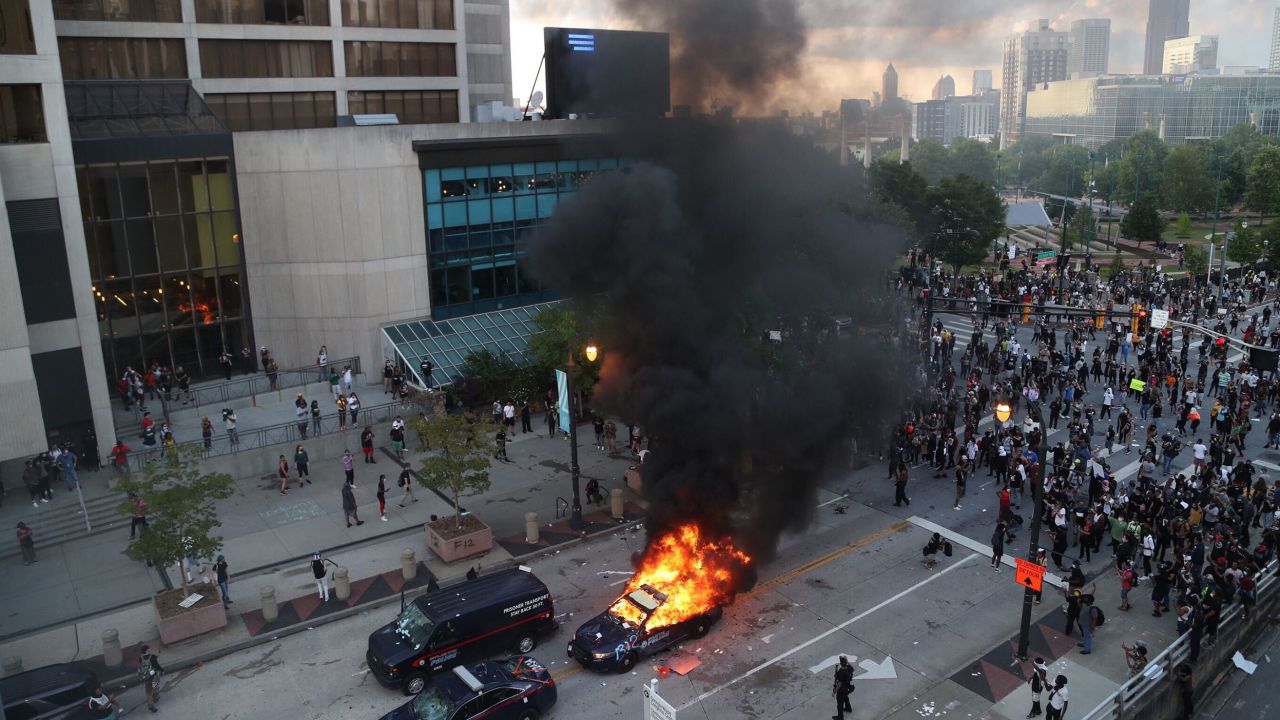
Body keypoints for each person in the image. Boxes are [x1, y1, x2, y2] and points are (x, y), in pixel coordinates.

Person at [138, 644, 163, 713]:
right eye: (149, 648)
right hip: (154, 677)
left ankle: (150, 704)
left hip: (146, 677)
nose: (150, 649)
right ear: (147, 650)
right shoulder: (152, 657)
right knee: (155, 687)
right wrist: (162, 670)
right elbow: (156, 665)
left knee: (148, 691)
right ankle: (155, 697)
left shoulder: (141, 658)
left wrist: (158, 653)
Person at [832, 654, 854, 720]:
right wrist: (847, 662)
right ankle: (848, 708)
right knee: (846, 698)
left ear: (841, 663)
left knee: (840, 704)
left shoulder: (842, 672)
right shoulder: (848, 668)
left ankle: (840, 717)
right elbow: (853, 669)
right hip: (847, 688)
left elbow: (839, 684)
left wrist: (835, 691)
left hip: (841, 690)